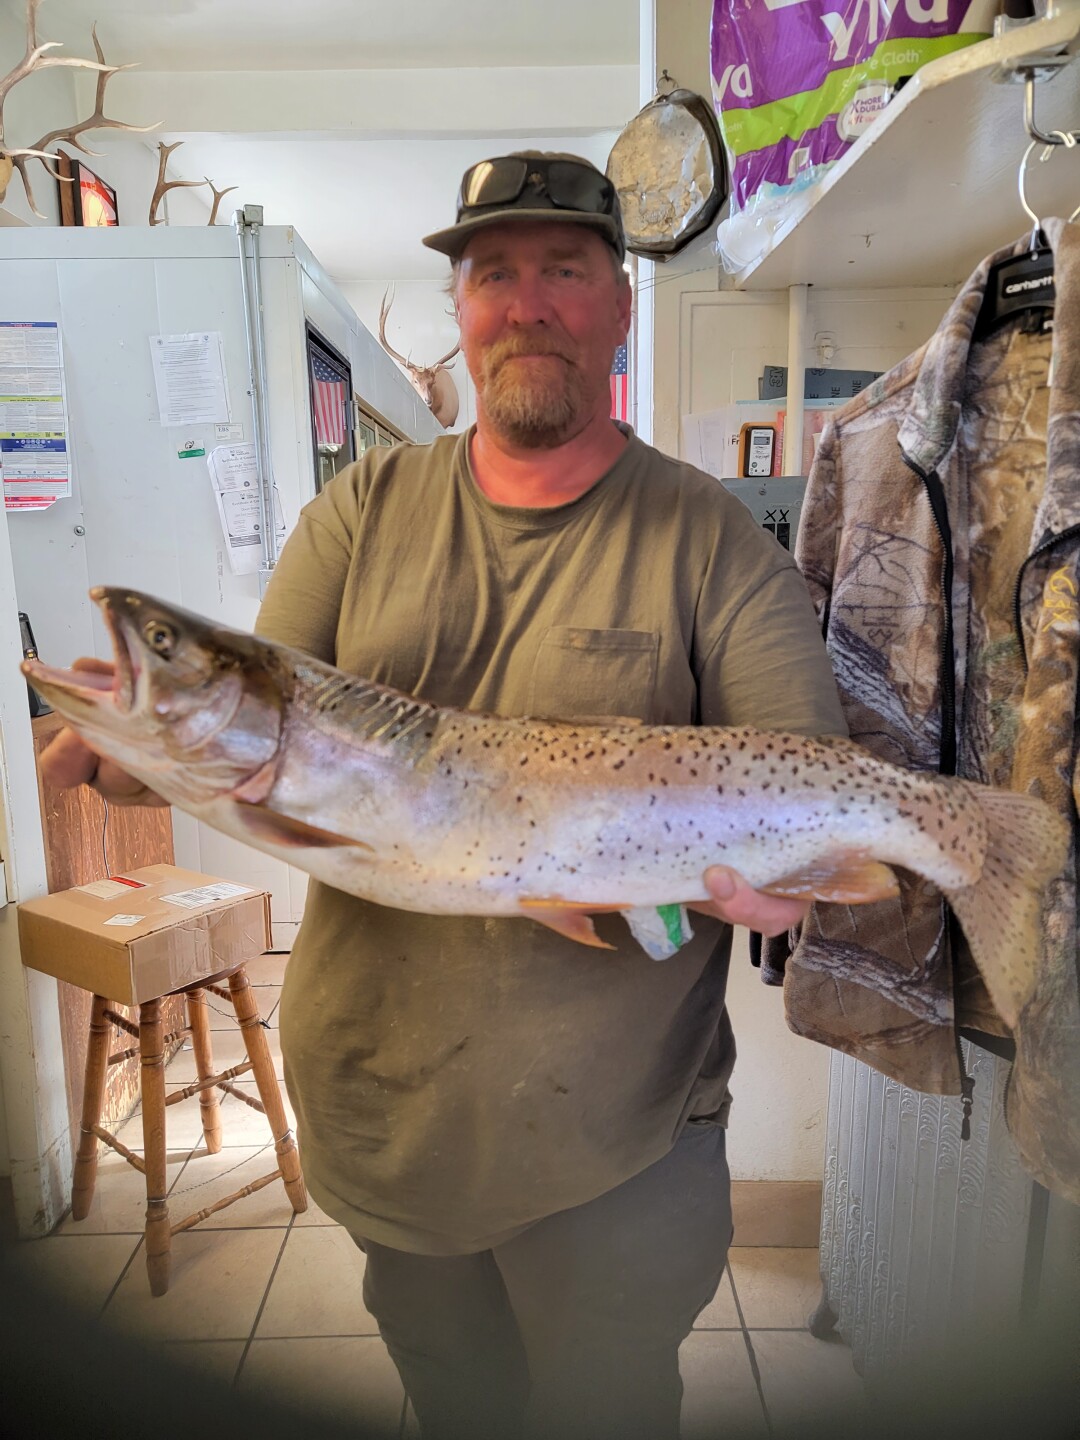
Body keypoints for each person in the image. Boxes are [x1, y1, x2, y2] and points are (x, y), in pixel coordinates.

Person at [42, 153, 846, 1440]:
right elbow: (272, 735)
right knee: (456, 1408)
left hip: (622, 1140)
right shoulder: (356, 513)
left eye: (565, 271)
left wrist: (787, 891)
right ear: (460, 310)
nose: (526, 303)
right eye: (492, 274)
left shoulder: (712, 539)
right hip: (387, 1111)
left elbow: (802, 771)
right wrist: (137, 743)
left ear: (619, 307)